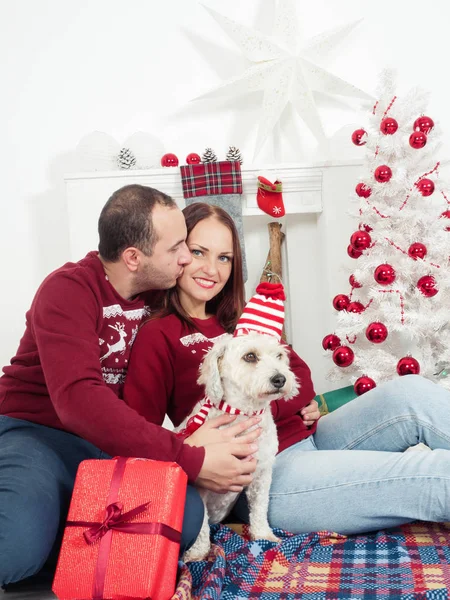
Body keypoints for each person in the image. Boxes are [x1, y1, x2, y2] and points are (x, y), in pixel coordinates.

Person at [124, 201, 450, 536]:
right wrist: (192, 449)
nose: (212, 268)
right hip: (267, 476)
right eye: (198, 252)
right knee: (431, 474)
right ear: (177, 252)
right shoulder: (159, 334)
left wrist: (276, 404)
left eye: (224, 257)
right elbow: (137, 436)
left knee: (411, 394)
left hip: (312, 435)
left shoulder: (244, 318)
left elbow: (301, 379)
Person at [0, 185, 262, 589]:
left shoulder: (160, 291)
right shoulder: (68, 290)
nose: (186, 258)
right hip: (37, 433)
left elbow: (227, 332)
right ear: (134, 258)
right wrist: (190, 457)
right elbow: (80, 402)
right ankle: (44, 527)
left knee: (187, 519)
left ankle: (69, 532)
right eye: (179, 248)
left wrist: (292, 399)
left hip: (105, 446)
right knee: (15, 548)